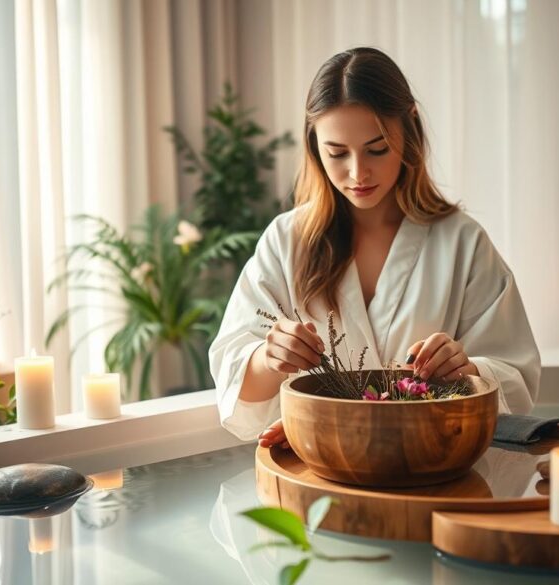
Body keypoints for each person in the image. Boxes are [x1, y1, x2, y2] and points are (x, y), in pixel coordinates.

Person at [208, 47, 540, 449]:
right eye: (337, 153)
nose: (357, 172)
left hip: (430, 468)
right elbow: (234, 376)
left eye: (377, 149)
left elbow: (515, 378)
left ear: (410, 129)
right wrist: (269, 357)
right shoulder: (286, 240)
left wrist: (465, 368)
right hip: (321, 465)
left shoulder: (462, 243)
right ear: (314, 145)